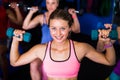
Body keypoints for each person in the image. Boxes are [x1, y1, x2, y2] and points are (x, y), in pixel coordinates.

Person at [9, 9, 116, 80]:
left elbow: (109, 61)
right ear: (49, 27)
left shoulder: (80, 48)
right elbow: (15, 62)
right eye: (53, 28)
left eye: (63, 28)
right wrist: (15, 40)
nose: (58, 33)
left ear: (70, 28)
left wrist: (107, 42)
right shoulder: (40, 50)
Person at [22, 0, 80, 80]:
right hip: (44, 49)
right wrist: (31, 12)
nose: (50, 6)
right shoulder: (42, 17)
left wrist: (74, 16)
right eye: (48, 3)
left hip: (60, 48)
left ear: (58, 4)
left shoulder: (63, 17)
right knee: (33, 64)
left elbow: (76, 30)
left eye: (53, 3)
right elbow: (25, 26)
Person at [0, 0, 23, 80]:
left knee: (0, 54)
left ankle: (5, 78)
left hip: (3, 40)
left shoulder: (6, 11)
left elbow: (19, 22)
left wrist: (16, 9)